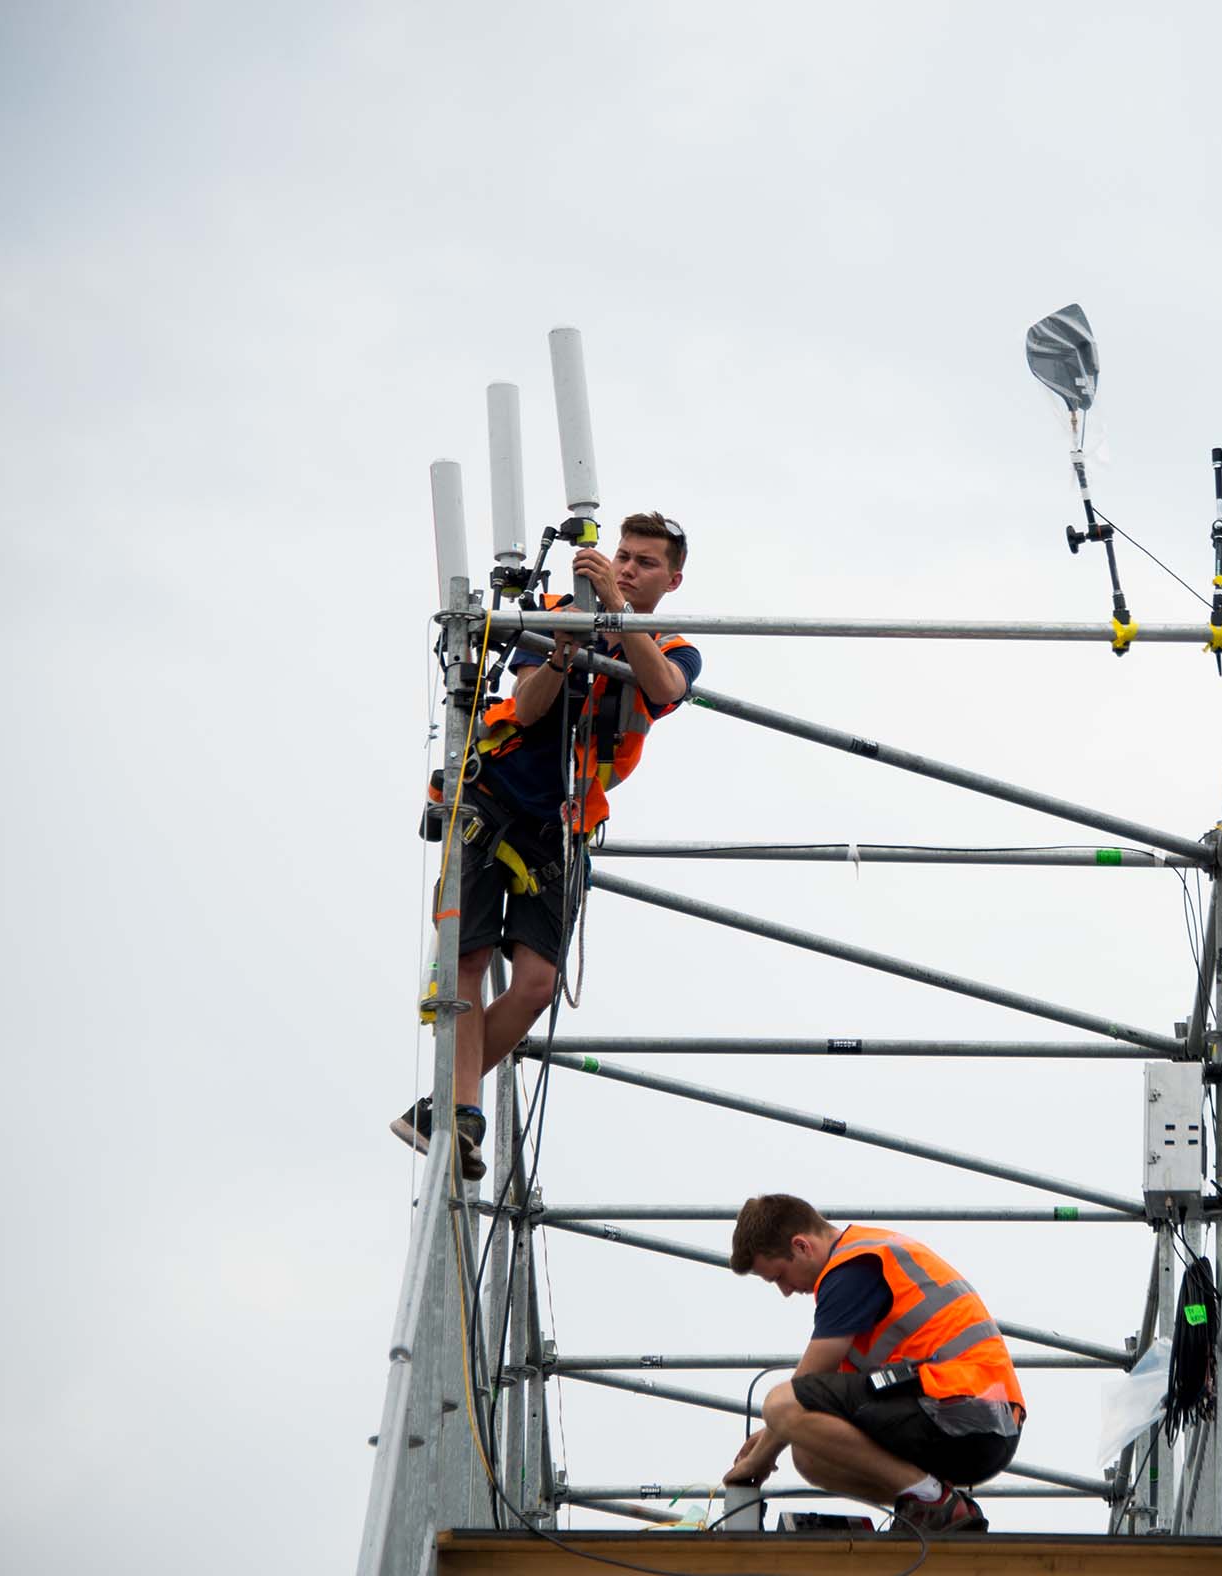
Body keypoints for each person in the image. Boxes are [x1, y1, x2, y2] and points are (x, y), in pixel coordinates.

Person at [393, 512, 703, 1179]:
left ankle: (441, 1107)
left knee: (537, 985)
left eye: (645, 563)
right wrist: (564, 648)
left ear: (672, 580)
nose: (626, 567)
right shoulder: (557, 611)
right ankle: (461, 1114)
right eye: (622, 555)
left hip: (561, 824)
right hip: (494, 794)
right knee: (467, 957)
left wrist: (618, 615)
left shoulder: (673, 645)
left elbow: (664, 688)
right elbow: (530, 707)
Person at [723, 1194, 1026, 1534]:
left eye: (779, 1275)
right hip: (973, 1418)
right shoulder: (864, 1257)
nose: (786, 1290)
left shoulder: (853, 1268)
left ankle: (933, 1500)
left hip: (965, 1411)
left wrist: (758, 1461)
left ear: (802, 1246)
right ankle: (929, 1504)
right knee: (810, 1456)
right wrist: (773, 1435)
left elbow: (802, 1389)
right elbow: (814, 1407)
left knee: (779, 1402)